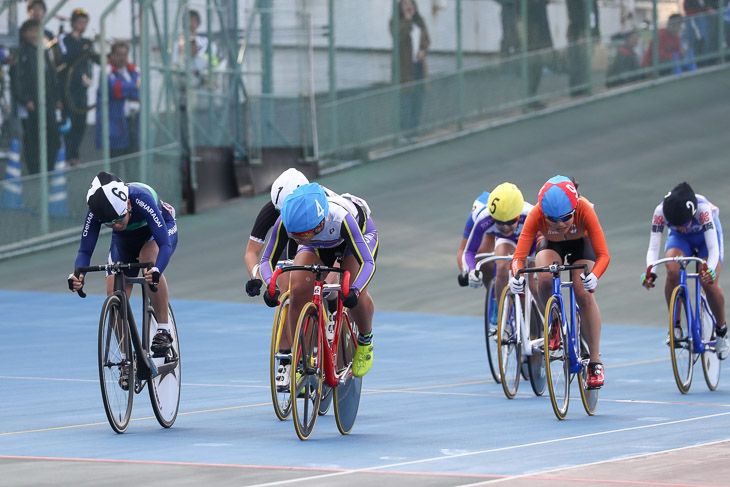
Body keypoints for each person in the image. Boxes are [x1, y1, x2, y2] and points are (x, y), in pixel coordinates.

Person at [259, 183, 378, 385]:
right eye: (293, 235)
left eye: (301, 235)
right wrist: (271, 285)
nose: (296, 239)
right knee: (297, 291)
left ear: (320, 224)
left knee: (350, 291)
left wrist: (355, 291)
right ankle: (300, 357)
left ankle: (365, 339)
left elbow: (368, 262)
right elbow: (266, 260)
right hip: (316, 244)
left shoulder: (342, 219)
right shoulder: (288, 223)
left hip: (354, 238)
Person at [509, 176, 610, 388]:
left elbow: (603, 255)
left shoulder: (585, 209)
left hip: (582, 246)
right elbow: (518, 258)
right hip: (552, 245)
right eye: (553, 220)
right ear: (543, 214)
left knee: (583, 293)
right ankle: (554, 321)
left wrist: (594, 276)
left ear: (575, 208)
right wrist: (517, 275)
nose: (560, 224)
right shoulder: (536, 214)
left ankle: (594, 361)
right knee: (544, 278)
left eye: (566, 218)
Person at [68, 171, 179, 358]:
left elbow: (165, 245)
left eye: (119, 220)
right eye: (109, 224)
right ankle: (127, 358)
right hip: (125, 241)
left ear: (127, 204)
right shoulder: (97, 211)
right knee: (114, 290)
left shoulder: (140, 198)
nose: (116, 226)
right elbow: (85, 250)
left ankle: (163, 330)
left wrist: (157, 270)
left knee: (148, 261)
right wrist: (78, 276)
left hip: (159, 231)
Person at [641, 182, 728, 359]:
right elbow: (653, 248)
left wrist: (710, 269)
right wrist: (650, 271)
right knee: (672, 271)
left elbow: (713, 248)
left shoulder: (703, 209)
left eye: (685, 223)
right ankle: (676, 325)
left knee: (708, 281)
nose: (681, 227)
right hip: (681, 241)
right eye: (676, 224)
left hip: (705, 240)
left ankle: (721, 330)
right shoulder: (660, 212)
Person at [244, 168, 310, 298]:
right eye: (281, 213)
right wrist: (256, 277)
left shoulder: (321, 206)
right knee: (284, 292)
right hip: (289, 241)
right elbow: (251, 252)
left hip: (319, 239)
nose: (286, 218)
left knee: (325, 286)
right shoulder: (270, 210)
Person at [464, 183, 537, 300]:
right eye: (499, 222)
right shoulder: (484, 218)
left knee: (534, 285)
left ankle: (550, 317)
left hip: (532, 242)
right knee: (502, 267)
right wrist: (472, 271)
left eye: (510, 222)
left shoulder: (531, 214)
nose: (505, 227)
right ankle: (501, 314)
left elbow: (546, 239)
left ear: (518, 216)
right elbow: (469, 252)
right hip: (507, 241)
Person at [10, 19, 62, 175]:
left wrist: (57, 98)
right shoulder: (21, 52)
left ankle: (50, 167)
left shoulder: (43, 51)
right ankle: (35, 170)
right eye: (31, 31)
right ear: (24, 33)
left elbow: (52, 76)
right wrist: (25, 100)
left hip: (48, 100)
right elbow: (17, 78)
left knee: (53, 133)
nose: (34, 35)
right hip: (31, 103)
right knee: (32, 137)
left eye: (36, 31)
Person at [57, 8, 100, 166]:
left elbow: (96, 59)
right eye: (79, 22)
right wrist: (82, 46)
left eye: (85, 23)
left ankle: (75, 154)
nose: (82, 26)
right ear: (73, 23)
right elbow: (66, 57)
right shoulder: (64, 39)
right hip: (67, 89)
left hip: (82, 89)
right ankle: (67, 155)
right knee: (69, 121)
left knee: (80, 123)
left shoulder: (86, 43)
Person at [390, 0, 430, 139]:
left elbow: (426, 39)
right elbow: (397, 36)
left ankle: (414, 131)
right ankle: (404, 132)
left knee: (418, 101)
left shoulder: (419, 21)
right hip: (404, 69)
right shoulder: (395, 22)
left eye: (411, 5)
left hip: (418, 67)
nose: (409, 7)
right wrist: (407, 20)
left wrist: (423, 50)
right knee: (405, 102)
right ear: (400, 8)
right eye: (405, 5)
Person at [95, 41, 140, 159]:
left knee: (133, 160)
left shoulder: (132, 70)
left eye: (125, 55)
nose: (122, 58)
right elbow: (116, 89)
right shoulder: (107, 71)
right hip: (114, 124)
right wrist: (133, 85)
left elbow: (138, 91)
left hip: (132, 122)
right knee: (116, 164)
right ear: (113, 55)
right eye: (119, 55)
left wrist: (130, 87)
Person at [456, 190, 494, 287]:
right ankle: (494, 293)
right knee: (481, 255)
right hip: (490, 230)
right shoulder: (477, 216)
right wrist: (467, 272)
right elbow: (463, 250)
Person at [566, 0, 600, 96]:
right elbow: (574, 13)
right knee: (577, 61)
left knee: (586, 61)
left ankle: (585, 85)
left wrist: (596, 32)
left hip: (589, 31)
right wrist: (580, 33)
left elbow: (595, 12)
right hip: (577, 33)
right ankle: (576, 89)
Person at [525, 0, 554, 110]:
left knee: (537, 65)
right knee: (533, 65)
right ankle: (529, 96)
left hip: (540, 30)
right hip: (533, 32)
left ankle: (532, 95)